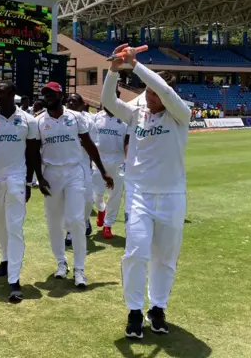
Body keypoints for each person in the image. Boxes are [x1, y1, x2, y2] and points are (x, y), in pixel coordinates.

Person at [102, 44, 190, 339]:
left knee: (165, 258)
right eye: (147, 94)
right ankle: (135, 311)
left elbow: (164, 90)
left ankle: (158, 308)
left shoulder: (180, 115)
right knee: (135, 253)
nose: (149, 99)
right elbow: (109, 102)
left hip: (171, 196)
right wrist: (115, 70)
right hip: (139, 195)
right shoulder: (137, 115)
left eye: (153, 94)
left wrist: (135, 66)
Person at [0, 81, 48, 303]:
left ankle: (14, 280)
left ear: (12, 95)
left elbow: (33, 154)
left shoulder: (28, 120)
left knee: (14, 227)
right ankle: (5, 259)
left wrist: (33, 181)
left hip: (16, 179)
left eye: (1, 93)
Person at [35, 82, 113, 288]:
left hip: (74, 172)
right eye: (45, 94)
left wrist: (103, 171)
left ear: (61, 95)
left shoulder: (75, 118)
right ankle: (61, 263)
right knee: (54, 222)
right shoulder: (39, 121)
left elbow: (89, 144)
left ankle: (80, 269)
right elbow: (34, 152)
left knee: (77, 219)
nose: (48, 97)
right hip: (51, 173)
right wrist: (37, 178)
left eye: (51, 93)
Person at [92, 90, 130, 239]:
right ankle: (101, 209)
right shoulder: (95, 118)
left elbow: (127, 141)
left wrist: (126, 160)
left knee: (115, 194)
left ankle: (108, 225)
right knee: (96, 194)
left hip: (118, 160)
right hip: (99, 160)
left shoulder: (125, 118)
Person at [66, 94, 99, 238]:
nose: (71, 103)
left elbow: (93, 144)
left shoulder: (89, 121)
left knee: (87, 198)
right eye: (69, 101)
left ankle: (85, 219)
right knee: (68, 198)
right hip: (65, 165)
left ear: (81, 104)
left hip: (83, 163)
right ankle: (70, 231)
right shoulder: (61, 120)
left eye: (74, 101)